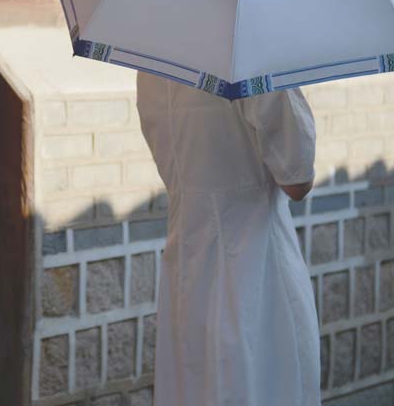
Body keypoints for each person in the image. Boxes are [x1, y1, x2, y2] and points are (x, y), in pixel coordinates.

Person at [135, 71, 320, 406]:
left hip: (187, 271)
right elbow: (298, 178)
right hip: (257, 273)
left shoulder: (154, 61)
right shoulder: (254, 58)